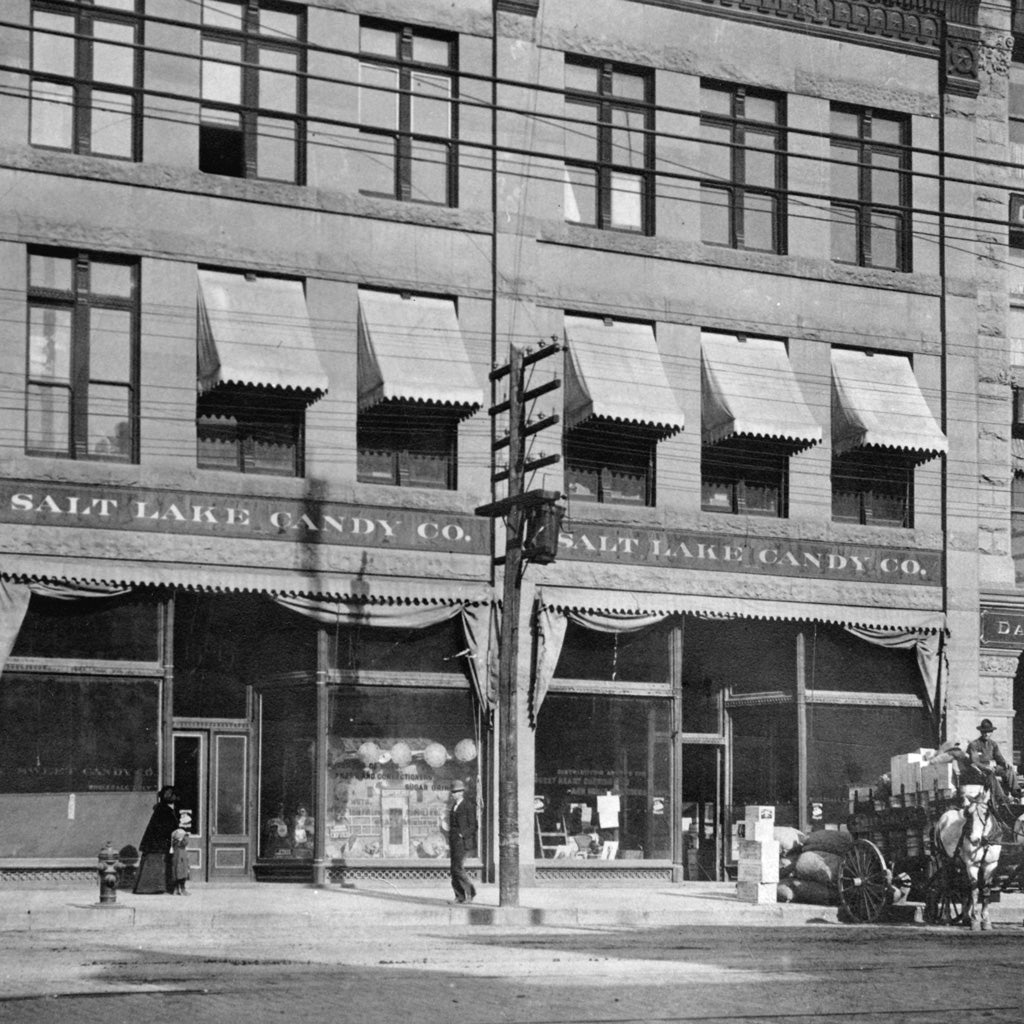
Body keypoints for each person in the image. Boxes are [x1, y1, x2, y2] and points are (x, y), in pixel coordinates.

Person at [134, 785, 179, 894]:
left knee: (153, 864)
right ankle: (155, 888)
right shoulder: (165, 810)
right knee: (157, 864)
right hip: (158, 844)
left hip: (155, 843)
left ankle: (153, 887)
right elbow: (167, 828)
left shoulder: (161, 809)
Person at [443, 779, 477, 904]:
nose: (452, 794)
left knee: (458, 868)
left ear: (461, 793)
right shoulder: (454, 806)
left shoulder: (468, 805)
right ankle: (459, 896)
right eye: (452, 792)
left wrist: (462, 834)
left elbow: (474, 826)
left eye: (455, 792)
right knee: (453, 869)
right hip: (454, 841)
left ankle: (470, 892)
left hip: (462, 842)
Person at [170, 811, 191, 896]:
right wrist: (186, 836)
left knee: (176, 871)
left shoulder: (174, 833)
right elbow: (184, 843)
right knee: (181, 872)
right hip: (181, 856)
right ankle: (182, 889)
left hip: (176, 855)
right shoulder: (181, 834)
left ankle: (176, 889)